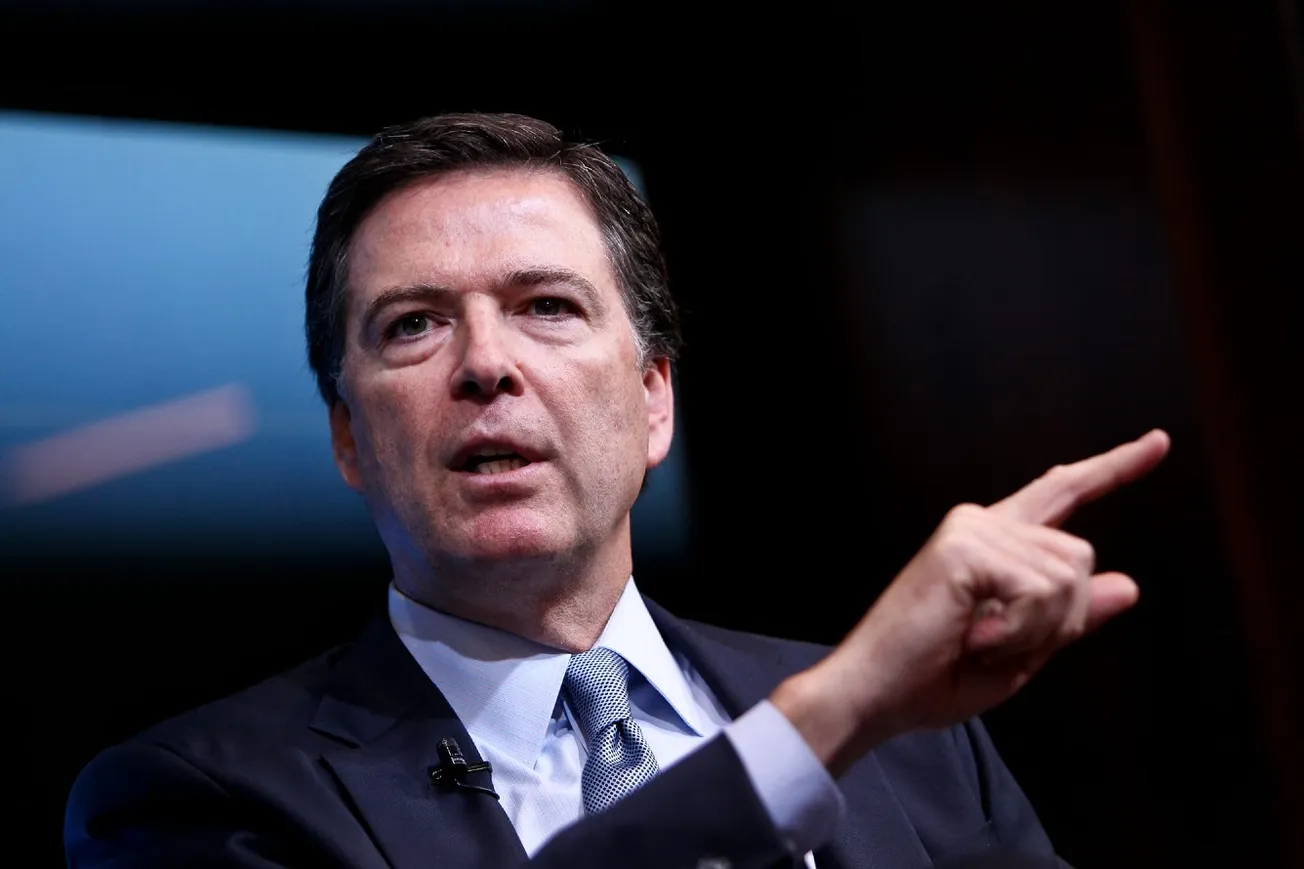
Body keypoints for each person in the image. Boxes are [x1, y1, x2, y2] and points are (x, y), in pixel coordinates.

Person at [64, 112, 1170, 869]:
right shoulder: (193, 799)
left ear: (653, 401)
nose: (485, 365)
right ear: (349, 436)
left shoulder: (920, 739)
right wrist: (819, 722)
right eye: (413, 324)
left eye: (546, 306)